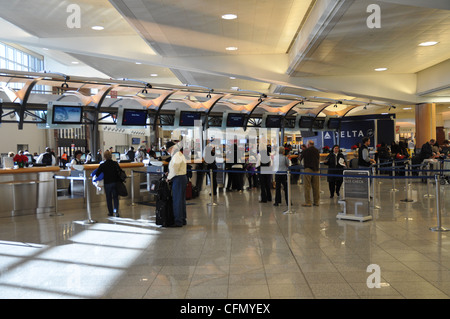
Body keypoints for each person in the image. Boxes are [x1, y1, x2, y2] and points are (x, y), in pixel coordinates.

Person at [166, 141, 187, 227]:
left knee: (177, 200)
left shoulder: (177, 155)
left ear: (171, 148)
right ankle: (182, 219)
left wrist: (168, 178)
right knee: (181, 200)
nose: (168, 152)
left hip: (178, 179)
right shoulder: (178, 154)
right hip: (181, 178)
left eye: (168, 150)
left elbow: (175, 169)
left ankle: (178, 221)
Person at [94, 150, 122, 217]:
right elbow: (120, 171)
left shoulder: (103, 165)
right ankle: (116, 211)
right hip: (115, 182)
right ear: (111, 156)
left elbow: (97, 174)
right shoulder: (115, 163)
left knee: (108, 198)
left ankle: (110, 212)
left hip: (107, 183)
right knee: (115, 197)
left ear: (104, 157)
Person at [299, 140, 320, 207]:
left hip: (308, 169)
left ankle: (308, 202)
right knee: (316, 186)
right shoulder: (317, 150)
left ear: (308, 145)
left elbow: (300, 158)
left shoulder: (306, 151)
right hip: (316, 170)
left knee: (307, 186)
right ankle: (316, 202)